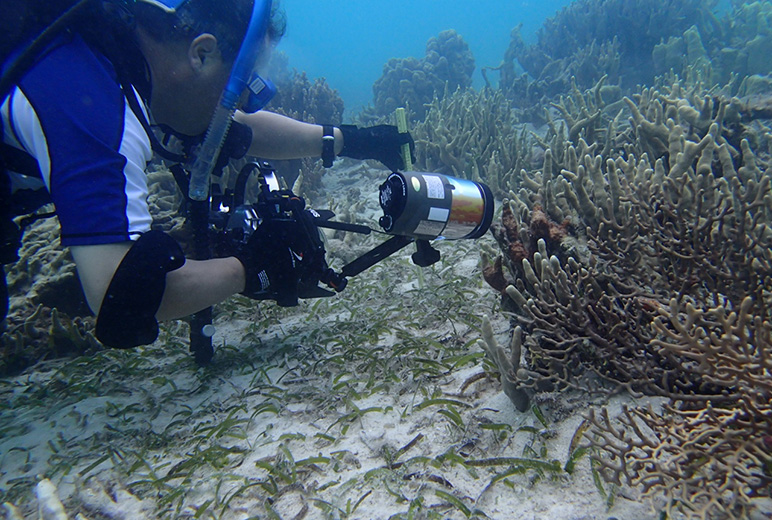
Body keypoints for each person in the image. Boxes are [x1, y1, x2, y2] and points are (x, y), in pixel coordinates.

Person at [0, 0, 413, 351]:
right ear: (201, 53)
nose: (243, 105)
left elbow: (237, 130)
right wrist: (249, 268)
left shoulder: (117, 62)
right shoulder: (95, 105)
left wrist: (351, 141)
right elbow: (116, 292)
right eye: (243, 87)